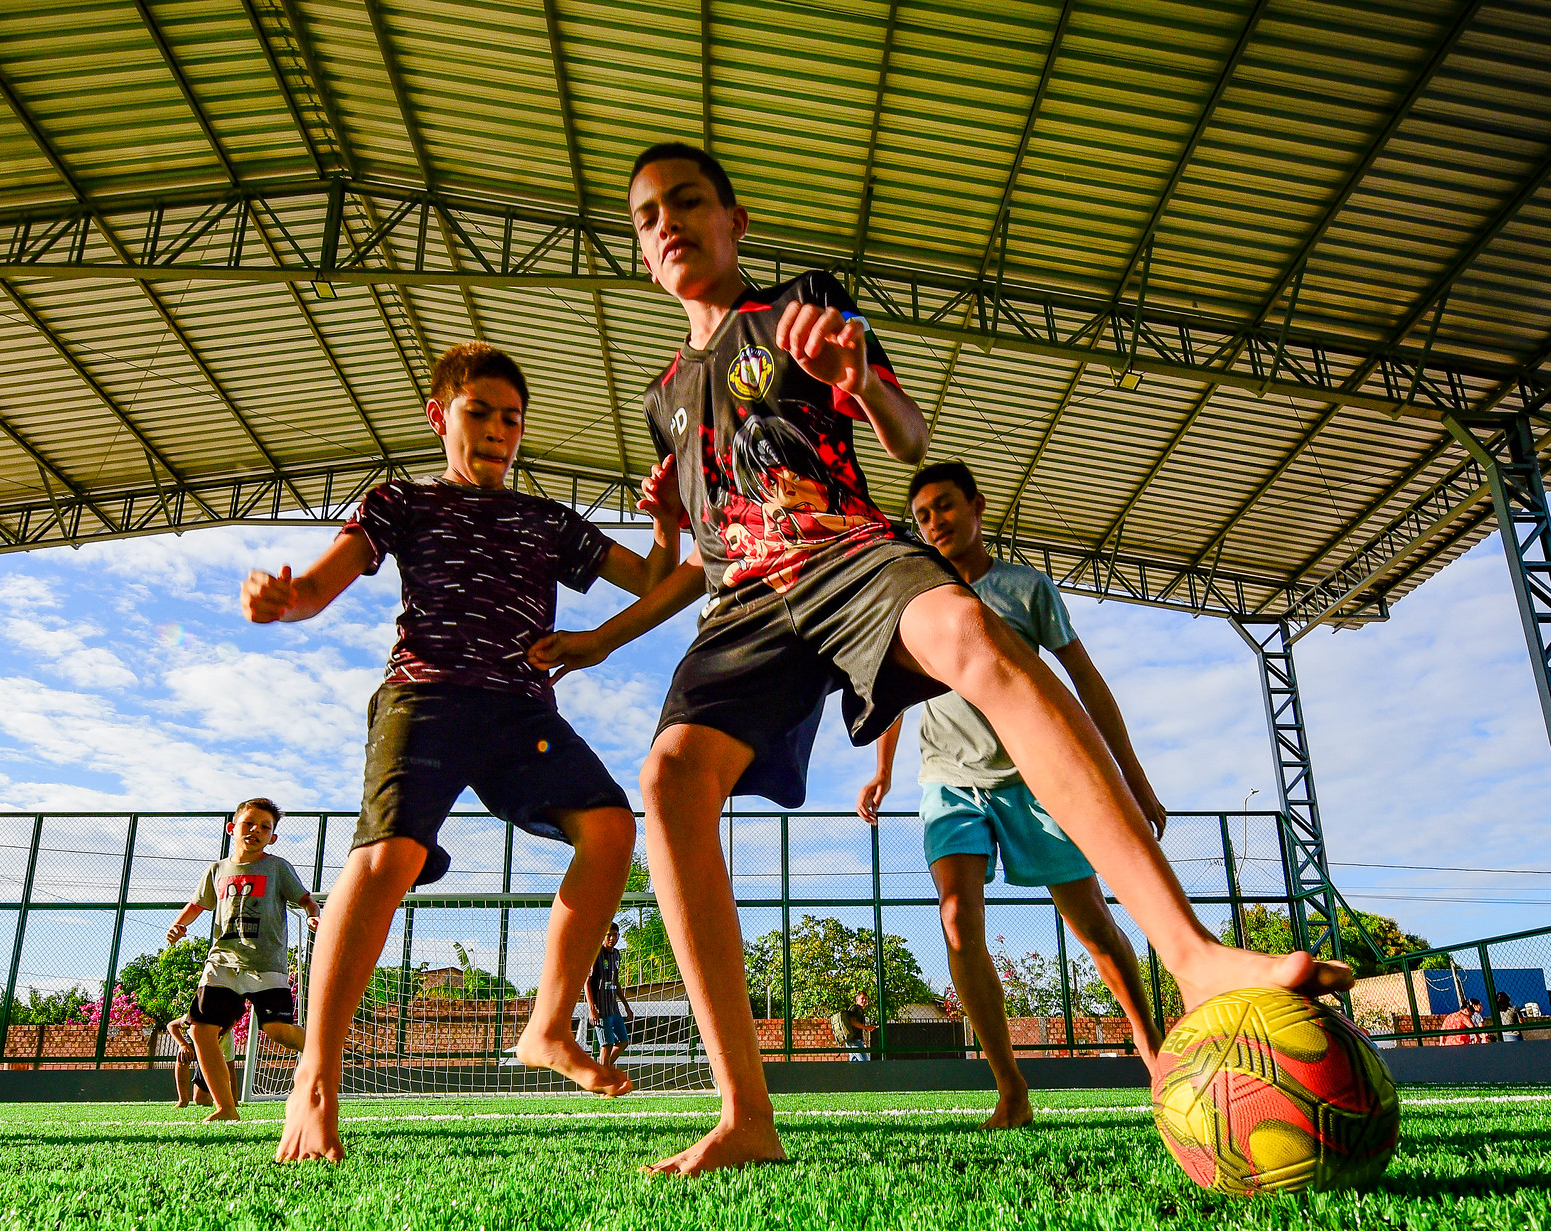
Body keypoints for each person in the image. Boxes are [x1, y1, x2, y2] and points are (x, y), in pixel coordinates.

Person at [529, 142, 1352, 1174]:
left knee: (973, 635)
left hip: (845, 551)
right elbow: (693, 557)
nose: (666, 223)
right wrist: (621, 602)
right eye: (647, 214)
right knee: (665, 778)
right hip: (740, 605)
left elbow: (910, 437)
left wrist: (855, 380)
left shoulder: (800, 305)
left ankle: (1190, 957)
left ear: (733, 218)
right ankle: (744, 1111)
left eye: (686, 201)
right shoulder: (660, 398)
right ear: (641, 253)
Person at [251, 342, 683, 1162]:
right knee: (389, 859)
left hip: (522, 707)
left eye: (510, 418)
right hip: (426, 697)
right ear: (439, 415)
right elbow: (318, 585)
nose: (495, 430)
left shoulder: (547, 519)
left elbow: (658, 580)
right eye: (478, 411)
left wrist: (664, 520)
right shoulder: (402, 502)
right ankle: (315, 1077)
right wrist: (285, 600)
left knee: (612, 828)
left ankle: (548, 1023)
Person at [858, 460, 1166, 1129]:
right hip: (947, 781)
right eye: (922, 515)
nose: (934, 522)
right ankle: (1010, 1087)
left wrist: (1133, 779)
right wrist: (882, 772)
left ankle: (1156, 1056)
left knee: (1090, 919)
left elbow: (1087, 684)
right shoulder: (915, 600)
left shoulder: (1026, 590)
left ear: (977, 506)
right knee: (957, 919)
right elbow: (893, 698)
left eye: (944, 506)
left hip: (1034, 779)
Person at [166, 798, 320, 1121]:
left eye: (265, 827)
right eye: (249, 823)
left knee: (276, 1028)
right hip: (222, 962)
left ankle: (323, 1050)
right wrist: (180, 924)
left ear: (273, 838)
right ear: (232, 828)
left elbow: (306, 899)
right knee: (201, 1030)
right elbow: (197, 905)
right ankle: (226, 1107)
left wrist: (311, 915)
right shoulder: (216, 871)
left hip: (266, 964)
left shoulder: (277, 868)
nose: (256, 831)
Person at [588, 923, 636, 1069]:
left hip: (613, 1008)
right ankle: (603, 1079)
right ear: (603, 936)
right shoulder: (596, 954)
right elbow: (587, 982)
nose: (612, 938)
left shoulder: (617, 954)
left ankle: (604, 1069)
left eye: (615, 935)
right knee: (607, 1045)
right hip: (601, 1009)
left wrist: (626, 1006)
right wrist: (592, 1008)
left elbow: (615, 981)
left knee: (623, 1041)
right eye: (609, 935)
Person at [831, 990, 872, 1063]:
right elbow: (853, 1022)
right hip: (855, 1041)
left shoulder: (859, 1010)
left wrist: (863, 1040)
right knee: (865, 1062)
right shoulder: (856, 1009)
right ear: (857, 999)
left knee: (854, 1063)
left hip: (851, 1041)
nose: (864, 1001)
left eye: (866, 999)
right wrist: (866, 1028)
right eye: (862, 998)